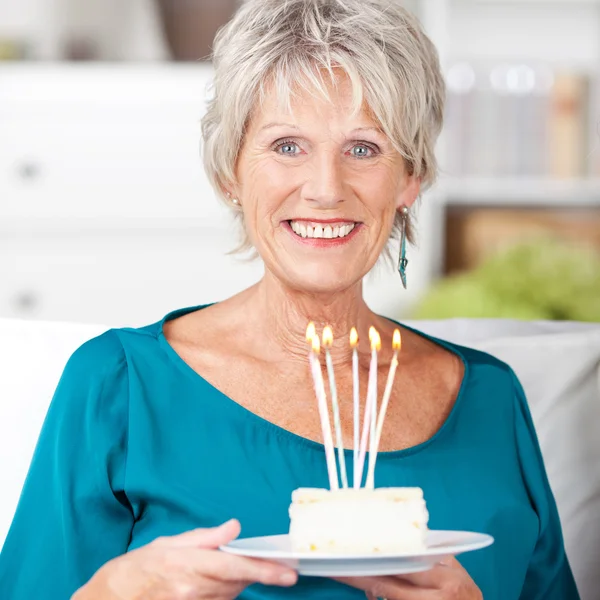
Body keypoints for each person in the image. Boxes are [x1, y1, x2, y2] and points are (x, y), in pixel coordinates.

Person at [0, 0, 579, 598]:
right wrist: (110, 593)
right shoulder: (120, 385)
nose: (326, 189)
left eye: (363, 148)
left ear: (411, 178)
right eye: (286, 146)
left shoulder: (490, 398)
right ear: (230, 172)